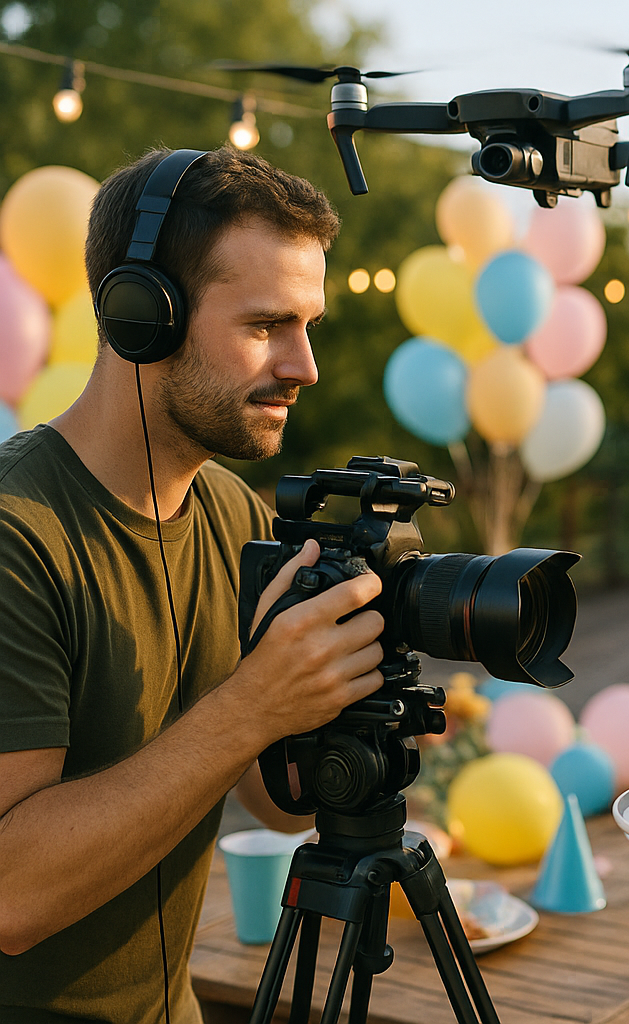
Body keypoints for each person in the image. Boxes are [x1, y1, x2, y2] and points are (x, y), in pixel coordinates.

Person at [0, 148, 386, 1023]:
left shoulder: (230, 511)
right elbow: (11, 896)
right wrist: (255, 703)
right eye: (266, 325)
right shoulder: (17, 536)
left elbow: (271, 804)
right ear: (144, 315)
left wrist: (352, 705)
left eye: (308, 323)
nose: (305, 365)